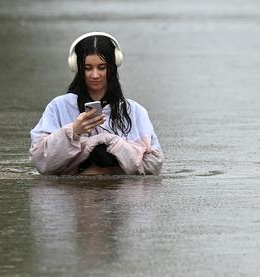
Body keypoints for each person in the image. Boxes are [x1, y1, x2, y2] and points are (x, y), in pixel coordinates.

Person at [29, 32, 164, 176]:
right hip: (73, 196)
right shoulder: (58, 106)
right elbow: (40, 161)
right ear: (77, 67)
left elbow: (155, 164)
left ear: (112, 67)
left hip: (121, 195)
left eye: (101, 67)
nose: (95, 75)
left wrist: (113, 146)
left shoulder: (135, 111)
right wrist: (73, 131)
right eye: (88, 68)